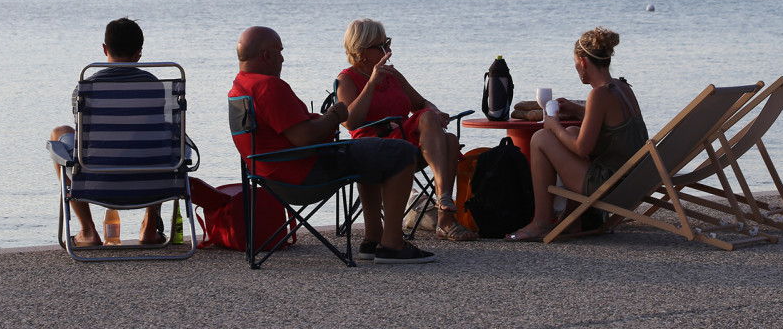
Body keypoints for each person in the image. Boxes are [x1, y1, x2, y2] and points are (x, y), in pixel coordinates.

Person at [228, 25, 438, 264]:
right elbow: (305, 137)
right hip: (305, 173)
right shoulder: (269, 87)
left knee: (371, 150)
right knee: (402, 152)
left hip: (269, 174)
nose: (283, 58)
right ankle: (393, 245)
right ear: (267, 55)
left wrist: (322, 118)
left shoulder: (239, 86)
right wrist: (335, 114)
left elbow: (292, 132)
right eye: (279, 51)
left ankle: (372, 240)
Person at [335, 18, 478, 241]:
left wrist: (436, 111)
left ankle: (444, 213)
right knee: (439, 132)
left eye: (388, 43)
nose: (389, 51)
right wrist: (372, 83)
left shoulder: (393, 75)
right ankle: (445, 209)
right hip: (374, 145)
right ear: (361, 51)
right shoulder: (346, 79)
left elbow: (421, 104)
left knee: (448, 137)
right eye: (381, 46)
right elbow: (350, 122)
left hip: (404, 141)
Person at [508, 26, 648, 241]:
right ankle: (573, 220)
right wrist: (577, 110)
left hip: (610, 186)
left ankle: (541, 222)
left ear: (583, 63)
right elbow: (613, 126)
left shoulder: (598, 94)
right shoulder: (622, 87)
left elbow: (583, 148)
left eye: (575, 63)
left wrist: (553, 125)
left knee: (541, 138)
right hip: (633, 180)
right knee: (573, 130)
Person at [49, 17, 165, 247]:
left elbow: (84, 138)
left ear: (105, 49)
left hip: (96, 180)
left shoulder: (85, 89)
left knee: (59, 133)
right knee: (161, 140)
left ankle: (88, 231)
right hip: (149, 180)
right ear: (139, 53)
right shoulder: (157, 87)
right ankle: (149, 229)